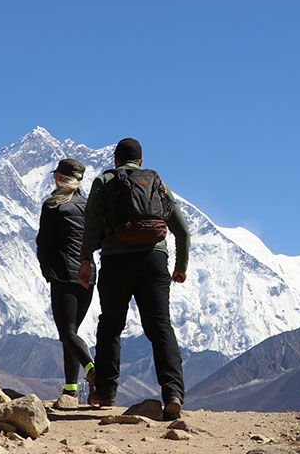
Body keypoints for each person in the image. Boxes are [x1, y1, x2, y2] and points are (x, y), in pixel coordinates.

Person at [78, 137, 190, 420]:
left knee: (111, 325)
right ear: (140, 161)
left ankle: (105, 393)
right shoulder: (156, 182)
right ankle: (173, 394)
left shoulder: (105, 181)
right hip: (155, 260)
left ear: (116, 160)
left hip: (116, 260)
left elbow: (91, 224)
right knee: (161, 327)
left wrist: (85, 259)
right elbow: (183, 230)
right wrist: (180, 267)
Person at [36, 158, 98, 403]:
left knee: (67, 333)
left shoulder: (53, 205)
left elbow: (44, 243)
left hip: (63, 274)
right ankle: (71, 387)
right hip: (88, 276)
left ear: (60, 178)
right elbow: (99, 240)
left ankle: (94, 372)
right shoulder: (90, 206)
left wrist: (47, 270)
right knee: (72, 333)